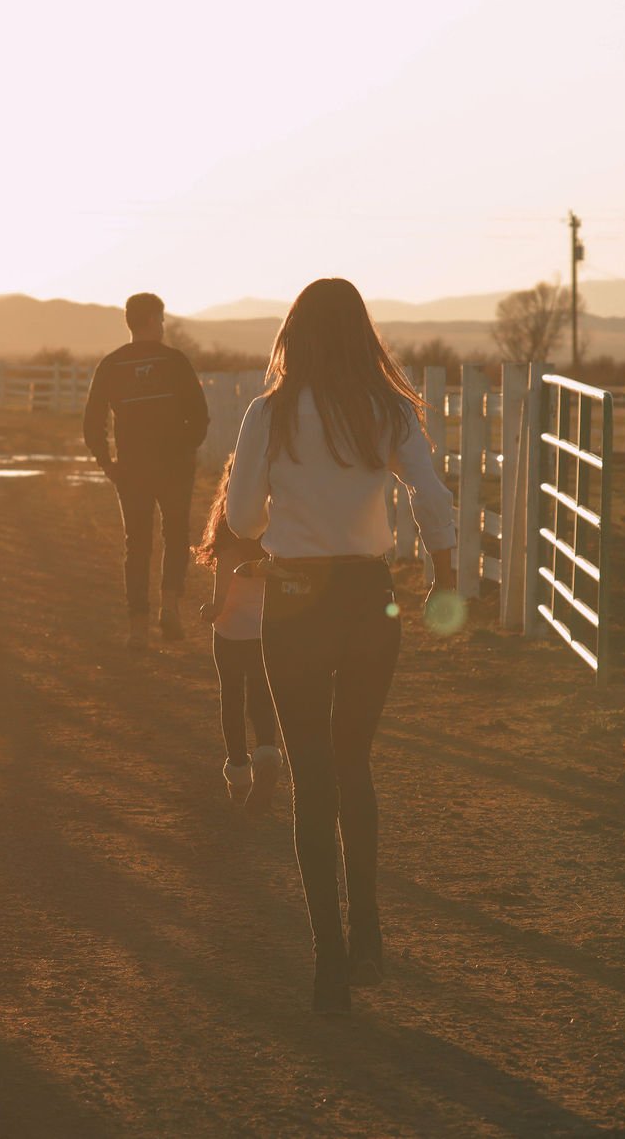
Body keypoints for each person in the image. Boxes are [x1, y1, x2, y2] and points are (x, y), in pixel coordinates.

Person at [225, 278, 459, 1015]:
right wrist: (443, 571)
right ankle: (369, 934)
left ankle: (327, 957)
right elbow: (429, 493)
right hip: (369, 596)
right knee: (353, 762)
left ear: (294, 333)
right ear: (362, 333)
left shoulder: (270, 413)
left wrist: (279, 515)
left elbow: (242, 515)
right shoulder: (385, 409)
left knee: (310, 775)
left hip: (295, 598)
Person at [83, 292, 210, 648]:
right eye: (163, 319)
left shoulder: (111, 365)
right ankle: (169, 607)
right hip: (174, 467)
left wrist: (107, 463)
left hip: (131, 469)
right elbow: (199, 414)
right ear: (153, 319)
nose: (164, 325)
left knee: (136, 544)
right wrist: (185, 449)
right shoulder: (174, 362)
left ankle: (137, 628)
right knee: (176, 535)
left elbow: (92, 422)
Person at [193, 455, 284, 809]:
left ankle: (239, 770)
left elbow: (222, 591)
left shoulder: (229, 539)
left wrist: (212, 610)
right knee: (261, 696)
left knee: (231, 697)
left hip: (230, 631)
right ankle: (266, 754)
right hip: (264, 630)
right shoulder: (273, 538)